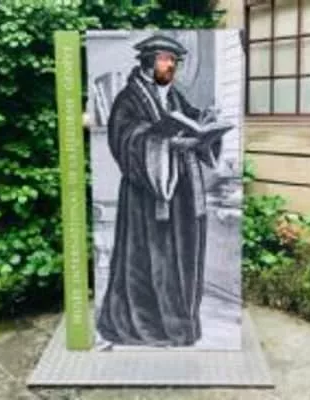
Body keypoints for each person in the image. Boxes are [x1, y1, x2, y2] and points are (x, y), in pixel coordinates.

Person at [96, 33, 222, 347]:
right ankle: (150, 325)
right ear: (148, 61)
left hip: (182, 190)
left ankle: (180, 323)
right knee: (152, 259)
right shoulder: (129, 98)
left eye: (174, 61)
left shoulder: (173, 96)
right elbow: (125, 139)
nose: (171, 66)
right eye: (166, 60)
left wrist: (205, 123)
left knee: (181, 256)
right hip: (147, 195)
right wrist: (163, 143)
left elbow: (190, 120)